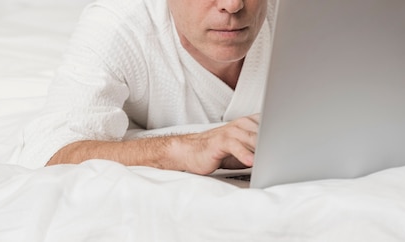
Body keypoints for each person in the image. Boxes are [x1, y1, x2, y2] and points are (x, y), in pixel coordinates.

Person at [18, 0, 277, 175]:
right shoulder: (119, 23)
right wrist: (186, 148)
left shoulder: (301, 14)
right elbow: (48, 153)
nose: (232, 5)